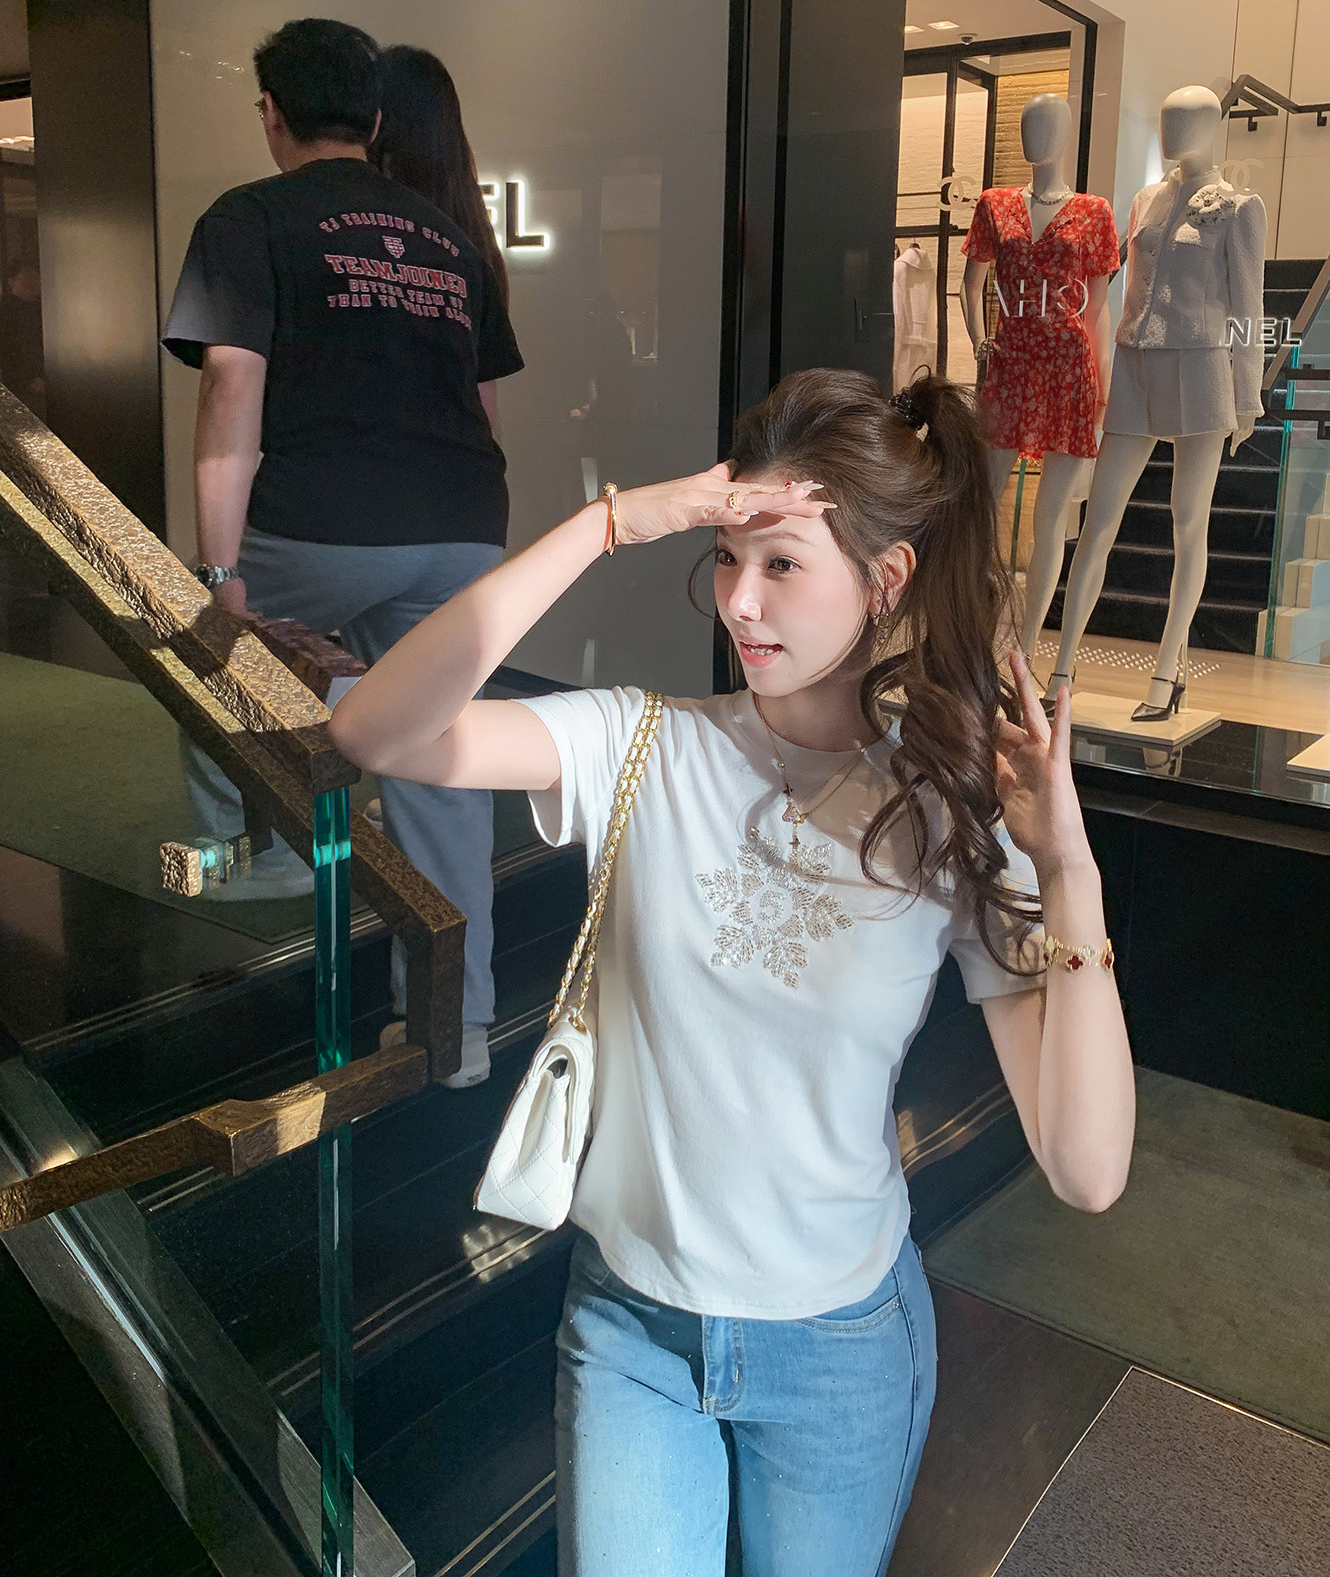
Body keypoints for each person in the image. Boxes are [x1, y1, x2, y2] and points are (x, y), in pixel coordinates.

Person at [330, 367, 1135, 1575]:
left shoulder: (948, 814)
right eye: (725, 558)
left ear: (888, 578)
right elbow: (374, 730)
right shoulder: (642, 742)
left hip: (839, 1350)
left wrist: (1068, 871)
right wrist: (609, 524)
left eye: (782, 565)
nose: (739, 603)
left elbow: (1086, 1168)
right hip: (632, 1331)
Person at [162, 17, 524, 1089]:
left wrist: (218, 574)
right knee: (442, 767)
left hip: (317, 523)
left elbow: (232, 387)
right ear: (371, 118)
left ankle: (262, 857)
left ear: (271, 112)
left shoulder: (250, 216)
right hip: (463, 524)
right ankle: (456, 1034)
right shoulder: (451, 235)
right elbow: (485, 409)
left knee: (207, 658)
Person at [370, 44, 511, 440]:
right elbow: (484, 400)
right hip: (459, 458)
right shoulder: (472, 239)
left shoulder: (366, 231)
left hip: (378, 455)